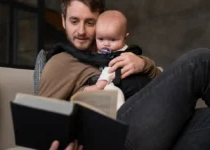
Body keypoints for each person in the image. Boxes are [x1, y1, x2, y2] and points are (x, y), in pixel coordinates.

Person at [40, 0, 210, 150]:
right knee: (199, 62)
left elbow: (162, 87)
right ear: (63, 20)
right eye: (74, 21)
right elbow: (40, 119)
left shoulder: (115, 51)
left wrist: (144, 64)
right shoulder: (61, 62)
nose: (81, 31)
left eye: (90, 22)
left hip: (148, 127)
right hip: (114, 135)